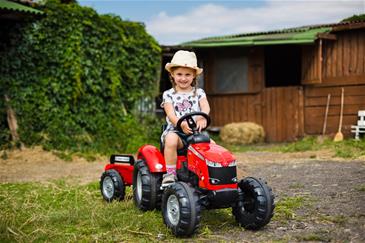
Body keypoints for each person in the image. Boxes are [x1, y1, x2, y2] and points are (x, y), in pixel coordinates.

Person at [160, 50, 211, 185]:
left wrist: (202, 118)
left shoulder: (199, 93)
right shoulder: (168, 94)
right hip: (177, 132)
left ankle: (213, 174)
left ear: (194, 75)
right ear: (172, 74)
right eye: (179, 74)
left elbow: (205, 107)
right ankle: (170, 174)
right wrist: (180, 124)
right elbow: (170, 114)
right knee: (170, 139)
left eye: (188, 74)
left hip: (195, 132)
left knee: (213, 146)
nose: (183, 78)